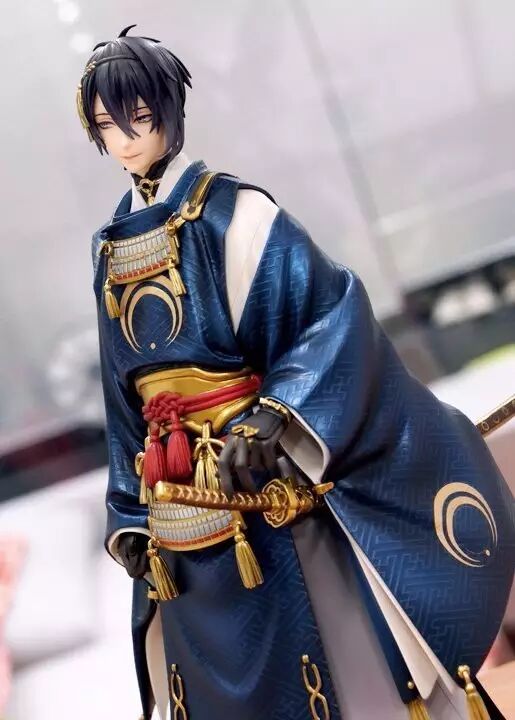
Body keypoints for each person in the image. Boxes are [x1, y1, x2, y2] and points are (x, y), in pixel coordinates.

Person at [79, 25, 514, 720]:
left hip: (260, 482)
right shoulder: (110, 251)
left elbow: (330, 316)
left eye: (138, 117)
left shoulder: (237, 216)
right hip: (177, 499)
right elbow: (122, 397)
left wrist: (276, 414)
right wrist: (129, 512)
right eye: (108, 126)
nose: (127, 139)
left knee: (330, 658)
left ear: (168, 111)